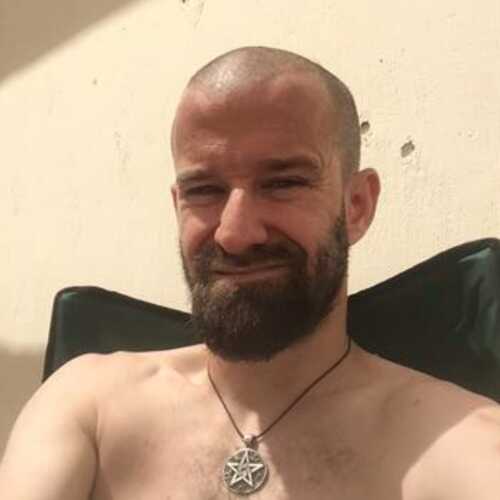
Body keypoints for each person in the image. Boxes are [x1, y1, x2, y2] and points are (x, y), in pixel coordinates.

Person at [1, 46, 499, 499]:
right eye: (204, 190)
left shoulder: (459, 440)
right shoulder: (88, 407)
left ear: (356, 206)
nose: (235, 233)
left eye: (283, 183)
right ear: (177, 207)